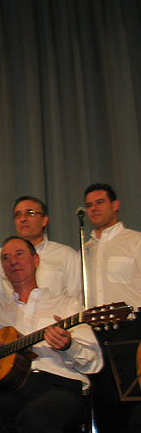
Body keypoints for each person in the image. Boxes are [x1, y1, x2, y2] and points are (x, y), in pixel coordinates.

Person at [0, 237, 103, 433]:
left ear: (36, 260)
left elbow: (94, 363)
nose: (13, 261)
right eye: (6, 258)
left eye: (19, 254)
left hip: (59, 386)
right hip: (10, 389)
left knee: (35, 418)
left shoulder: (67, 305)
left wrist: (68, 346)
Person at [82, 183, 141, 433]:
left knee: (134, 404)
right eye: (89, 205)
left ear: (115, 205)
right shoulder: (84, 250)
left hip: (131, 331)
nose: (93, 209)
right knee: (104, 407)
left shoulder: (135, 241)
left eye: (100, 202)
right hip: (95, 335)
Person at [0, 196, 81, 306]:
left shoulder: (66, 255)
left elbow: (76, 299)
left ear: (44, 220)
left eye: (30, 213)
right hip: (14, 316)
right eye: (18, 215)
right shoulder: (3, 254)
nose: (23, 219)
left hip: (56, 315)